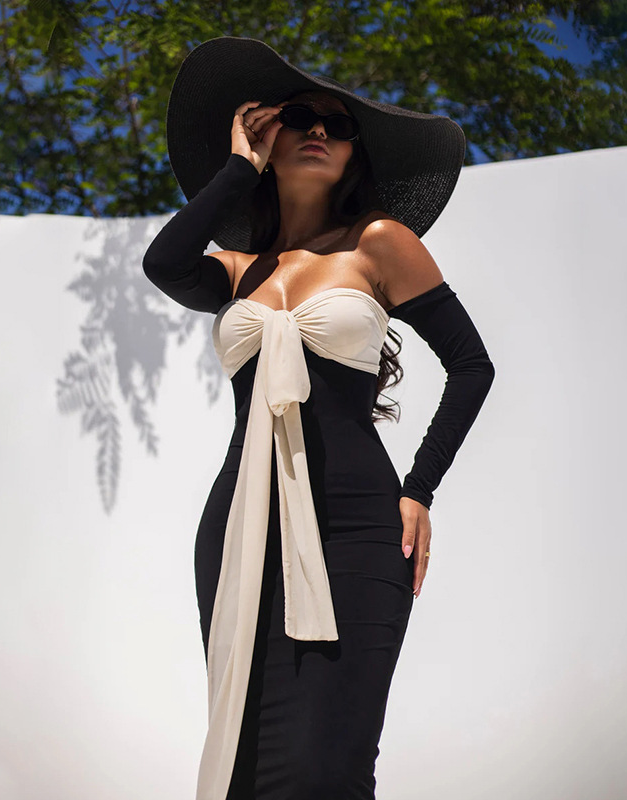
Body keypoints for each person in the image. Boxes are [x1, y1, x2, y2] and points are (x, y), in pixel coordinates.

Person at [142, 36, 495, 800]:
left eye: (339, 126)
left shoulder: (379, 244)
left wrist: (420, 489)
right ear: (268, 134)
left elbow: (473, 366)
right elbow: (162, 263)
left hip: (357, 527)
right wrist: (238, 167)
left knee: (325, 766)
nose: (320, 131)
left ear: (356, 154)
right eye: (299, 118)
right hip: (240, 524)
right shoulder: (238, 271)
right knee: (244, 758)